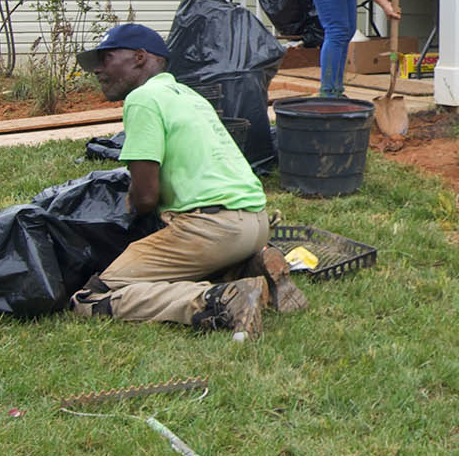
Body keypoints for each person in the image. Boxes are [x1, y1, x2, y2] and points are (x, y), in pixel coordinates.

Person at [72, 23, 298, 336]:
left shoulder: (143, 99)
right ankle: (250, 267)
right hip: (256, 224)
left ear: (139, 57)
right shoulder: (187, 95)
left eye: (106, 58)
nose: (97, 69)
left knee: (94, 296)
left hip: (213, 230)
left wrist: (126, 213)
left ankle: (219, 299)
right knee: (177, 265)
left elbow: (145, 198)